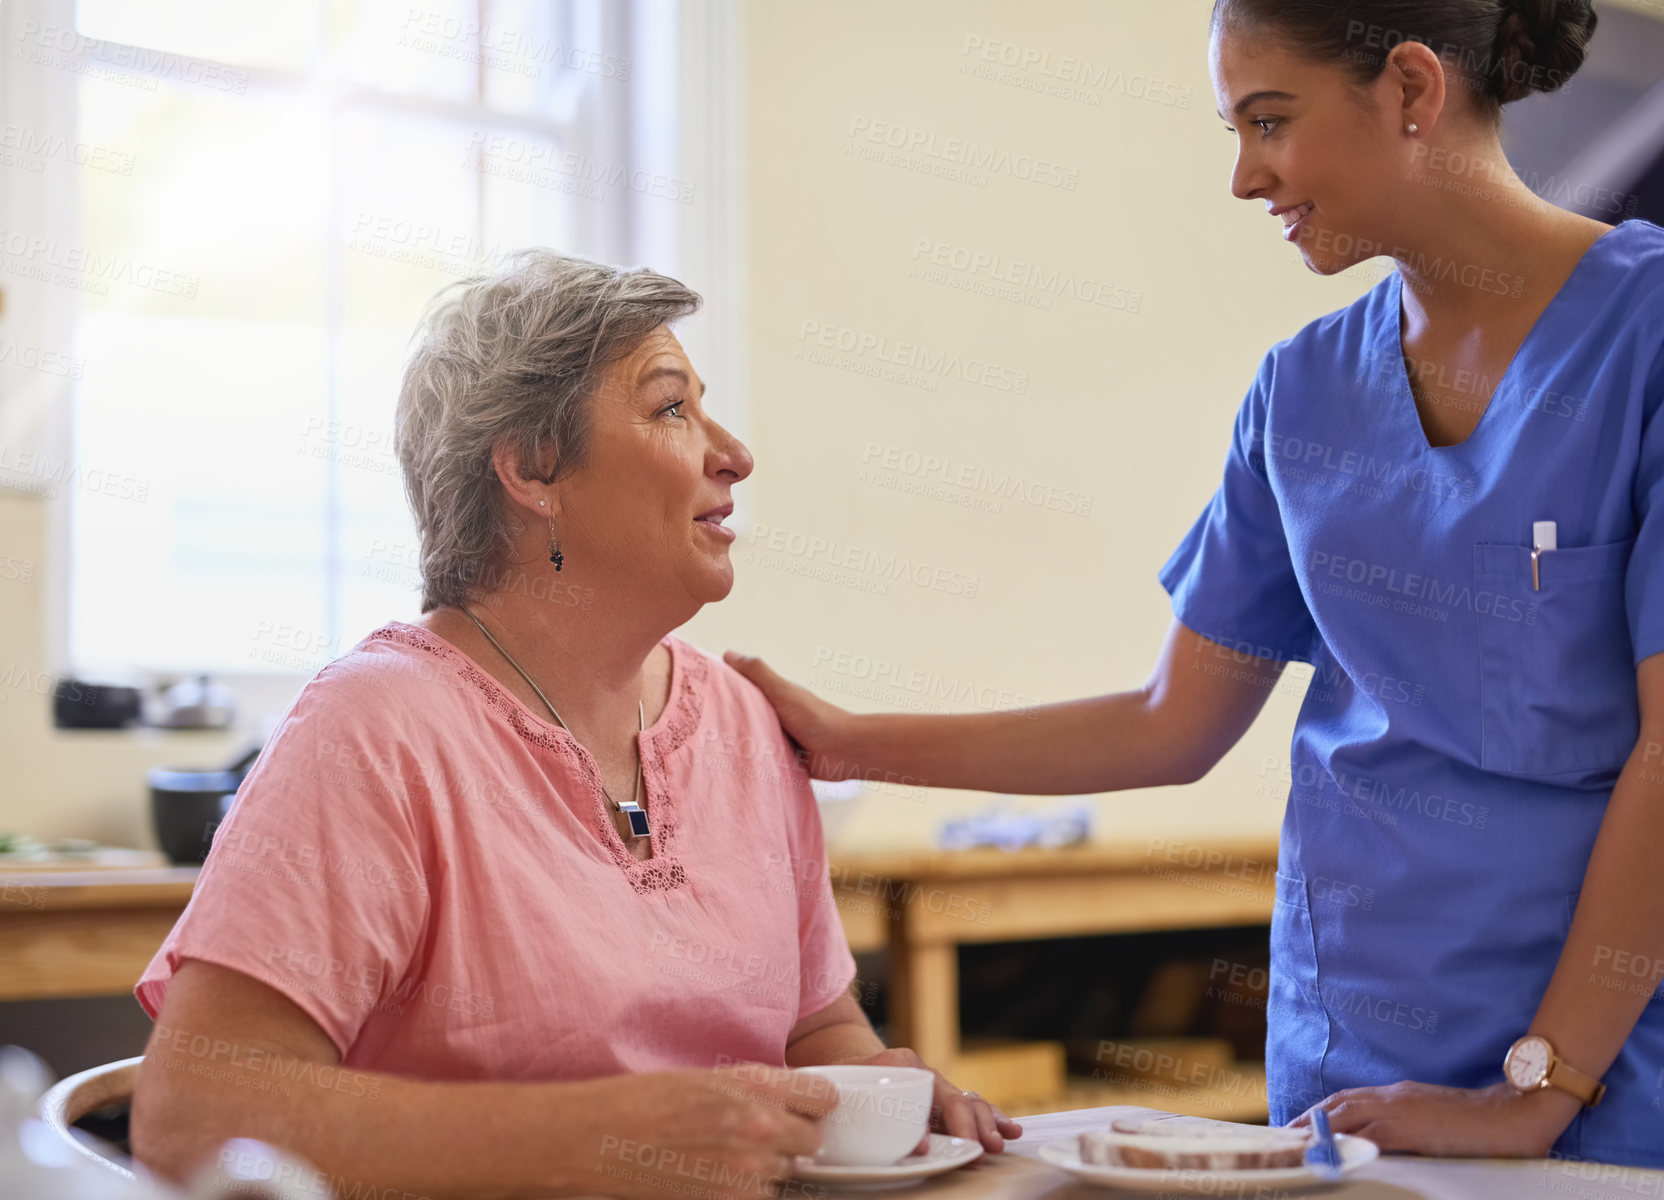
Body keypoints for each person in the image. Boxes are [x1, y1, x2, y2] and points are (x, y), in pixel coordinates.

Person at [727, 0, 1664, 1168]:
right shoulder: (1303, 392)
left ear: (1412, 89)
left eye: (1267, 122)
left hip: (1606, 1071)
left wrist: (1541, 1085)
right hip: (1347, 1061)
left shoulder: (1644, 337)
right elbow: (1170, 724)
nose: (1242, 177)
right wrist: (852, 740)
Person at [130, 252, 1019, 1199]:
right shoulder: (375, 729)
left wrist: (870, 1090)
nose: (734, 453)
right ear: (534, 466)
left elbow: (814, 1028)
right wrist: (605, 1135)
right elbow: (198, 1117)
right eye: (672, 407)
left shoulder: (742, 724)